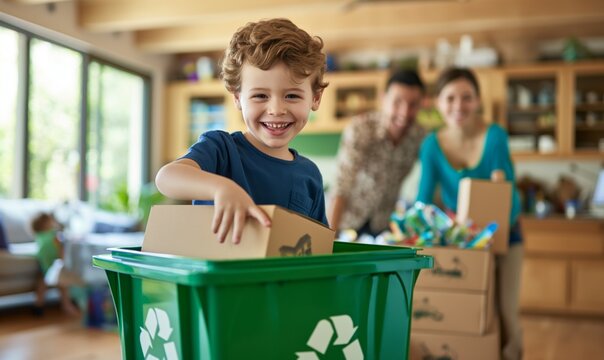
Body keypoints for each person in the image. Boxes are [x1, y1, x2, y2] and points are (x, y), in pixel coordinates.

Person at [155, 18, 329, 244]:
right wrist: (221, 188)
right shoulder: (220, 149)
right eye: (260, 96)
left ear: (315, 98)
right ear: (238, 98)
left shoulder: (310, 176)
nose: (276, 110)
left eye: (292, 95)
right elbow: (166, 178)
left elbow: (319, 247)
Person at [416, 67, 523, 360]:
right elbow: (423, 202)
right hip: (462, 241)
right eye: (450, 98)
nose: (458, 106)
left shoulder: (495, 136)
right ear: (438, 102)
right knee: (466, 314)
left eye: (467, 97)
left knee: (506, 313)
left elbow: (504, 191)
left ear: (477, 101)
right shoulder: (431, 146)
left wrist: (491, 232)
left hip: (504, 234)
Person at [328, 70, 426, 237]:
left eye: (413, 104)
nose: (404, 112)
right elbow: (341, 186)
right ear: (383, 99)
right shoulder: (361, 129)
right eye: (397, 102)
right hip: (347, 224)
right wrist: (329, 237)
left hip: (382, 228)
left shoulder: (419, 137)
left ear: (421, 105)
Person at [31, 212, 80, 316]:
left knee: (42, 283)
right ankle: (66, 305)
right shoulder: (53, 234)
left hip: (44, 263)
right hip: (54, 263)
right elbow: (61, 248)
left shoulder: (39, 236)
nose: (53, 223)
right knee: (62, 285)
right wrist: (62, 259)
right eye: (50, 221)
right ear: (45, 224)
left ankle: (38, 304)